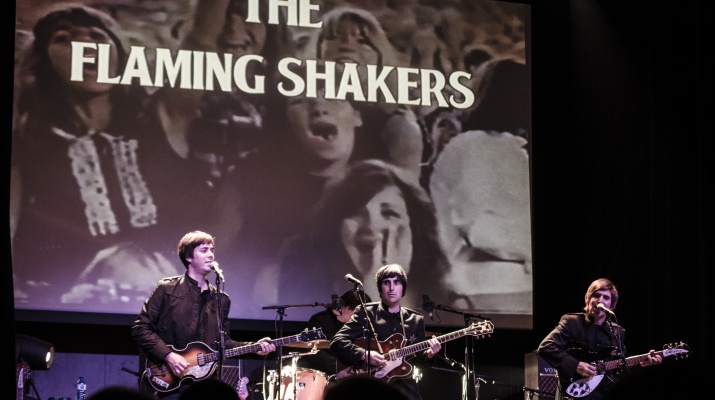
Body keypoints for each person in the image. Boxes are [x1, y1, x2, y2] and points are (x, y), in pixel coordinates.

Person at [251, 159, 449, 312]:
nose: (372, 224)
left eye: (389, 213)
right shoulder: (280, 287)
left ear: (415, 230)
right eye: (357, 212)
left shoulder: (448, 300)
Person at [131, 231, 276, 399]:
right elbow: (141, 328)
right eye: (204, 250)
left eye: (212, 250)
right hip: (166, 380)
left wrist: (255, 348)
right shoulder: (166, 289)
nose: (210, 255)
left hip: (203, 385)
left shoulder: (221, 299)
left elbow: (224, 343)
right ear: (189, 257)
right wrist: (168, 355)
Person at [537, 278, 662, 400]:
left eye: (606, 297)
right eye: (596, 295)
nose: (600, 300)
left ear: (611, 306)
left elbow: (621, 368)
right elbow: (546, 347)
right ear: (588, 299)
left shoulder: (617, 331)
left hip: (605, 392)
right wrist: (576, 365)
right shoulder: (572, 322)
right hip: (576, 390)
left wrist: (643, 364)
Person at [330, 264, 441, 400]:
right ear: (380, 288)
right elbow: (337, 342)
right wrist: (364, 354)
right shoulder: (365, 312)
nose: (392, 288)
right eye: (386, 283)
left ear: (403, 288)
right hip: (371, 386)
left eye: (397, 282)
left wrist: (429, 355)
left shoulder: (415, 319)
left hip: (404, 388)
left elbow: (419, 362)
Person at [297, 289, 372, 376]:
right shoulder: (319, 320)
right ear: (347, 308)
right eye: (359, 313)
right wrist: (339, 367)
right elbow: (312, 351)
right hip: (322, 375)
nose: (361, 318)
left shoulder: (359, 326)